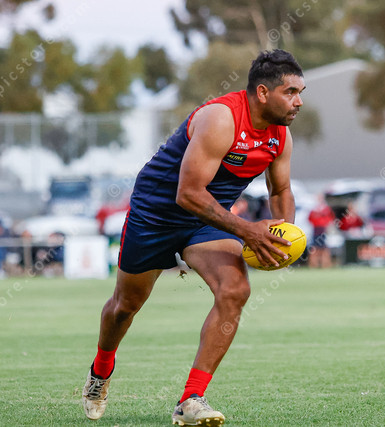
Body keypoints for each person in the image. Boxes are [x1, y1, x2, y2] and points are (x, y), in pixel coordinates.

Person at [81, 49, 305, 426]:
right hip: (156, 214)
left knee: (235, 290)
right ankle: (100, 371)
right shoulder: (221, 118)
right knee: (125, 306)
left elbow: (280, 190)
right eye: (291, 92)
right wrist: (249, 230)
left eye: (301, 92)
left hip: (208, 221)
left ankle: (190, 399)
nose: (298, 102)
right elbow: (187, 194)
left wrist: (282, 239)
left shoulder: (280, 137)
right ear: (263, 92)